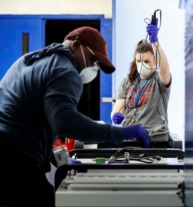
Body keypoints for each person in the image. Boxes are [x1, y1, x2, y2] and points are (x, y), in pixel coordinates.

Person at [0, 26, 149, 207]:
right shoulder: (66, 70)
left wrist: (57, 157)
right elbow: (64, 122)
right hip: (16, 160)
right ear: (77, 46)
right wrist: (122, 134)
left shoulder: (32, 60)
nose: (93, 66)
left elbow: (32, 114)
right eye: (93, 59)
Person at [111, 19, 171, 144]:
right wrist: (115, 116)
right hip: (130, 140)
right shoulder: (127, 82)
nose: (142, 65)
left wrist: (155, 42)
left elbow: (164, 69)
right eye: (139, 61)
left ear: (155, 62)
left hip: (155, 140)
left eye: (146, 61)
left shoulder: (158, 80)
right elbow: (118, 109)